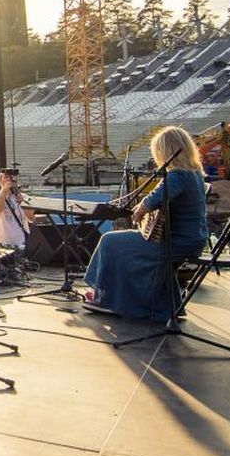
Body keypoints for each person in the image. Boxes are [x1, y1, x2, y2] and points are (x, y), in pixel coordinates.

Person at [84, 126, 211, 320]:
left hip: (176, 242)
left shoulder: (179, 175)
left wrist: (141, 209)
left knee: (110, 242)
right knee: (121, 242)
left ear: (166, 151)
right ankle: (122, 297)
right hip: (191, 239)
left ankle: (104, 297)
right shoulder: (193, 174)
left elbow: (153, 199)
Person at [0, 168, 32, 249]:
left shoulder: (24, 197)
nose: (9, 180)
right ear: (0, 179)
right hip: (0, 243)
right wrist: (4, 190)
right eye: (6, 177)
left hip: (20, 242)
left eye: (12, 177)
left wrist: (23, 203)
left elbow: (31, 218)